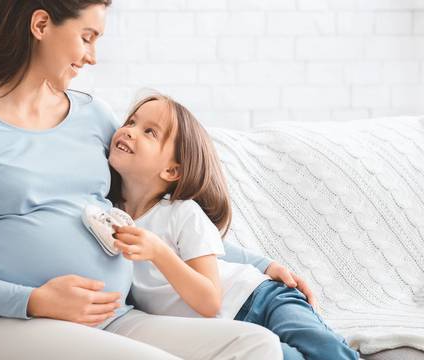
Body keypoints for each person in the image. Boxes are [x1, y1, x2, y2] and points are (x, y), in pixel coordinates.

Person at [0, 1, 306, 358]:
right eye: (87, 37)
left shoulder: (94, 116)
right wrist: (35, 300)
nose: (92, 57)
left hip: (113, 318)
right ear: (41, 25)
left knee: (255, 344)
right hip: (4, 326)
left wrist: (261, 263)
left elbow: (150, 213)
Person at [107, 93, 360, 360]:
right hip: (230, 335)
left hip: (260, 297)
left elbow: (209, 299)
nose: (129, 131)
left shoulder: (182, 213)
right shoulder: (108, 213)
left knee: (327, 351)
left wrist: (159, 253)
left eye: (149, 131)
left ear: (172, 171)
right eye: (131, 122)